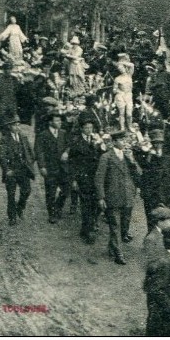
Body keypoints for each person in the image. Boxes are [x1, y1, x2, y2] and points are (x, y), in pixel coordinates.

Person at [95, 130, 141, 265]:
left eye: (125, 140)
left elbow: (138, 174)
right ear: (114, 142)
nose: (124, 143)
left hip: (127, 196)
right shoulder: (106, 157)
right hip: (113, 196)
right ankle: (118, 253)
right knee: (115, 225)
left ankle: (112, 247)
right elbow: (99, 178)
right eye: (121, 140)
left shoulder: (128, 156)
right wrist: (101, 197)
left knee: (124, 227)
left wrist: (132, 160)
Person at [68, 114, 103, 244]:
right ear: (82, 129)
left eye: (91, 128)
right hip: (83, 178)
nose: (89, 130)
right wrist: (74, 180)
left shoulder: (96, 141)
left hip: (95, 178)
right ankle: (88, 231)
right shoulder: (77, 142)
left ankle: (87, 227)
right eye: (87, 128)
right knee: (86, 204)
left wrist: (99, 145)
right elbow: (72, 163)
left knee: (95, 204)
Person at [0, 116, 36, 226]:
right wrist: (7, 169)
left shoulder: (23, 137)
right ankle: (12, 217)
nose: (17, 127)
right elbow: (1, 157)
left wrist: (30, 163)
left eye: (19, 125)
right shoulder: (5, 139)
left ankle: (20, 207)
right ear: (9, 127)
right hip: (12, 171)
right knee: (11, 194)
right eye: (15, 125)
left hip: (23, 169)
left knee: (27, 190)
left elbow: (30, 152)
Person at [34, 110, 70, 224]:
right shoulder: (43, 135)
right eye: (56, 120)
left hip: (63, 168)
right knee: (50, 192)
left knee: (66, 190)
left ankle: (58, 207)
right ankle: (52, 214)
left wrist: (66, 152)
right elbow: (39, 152)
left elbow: (69, 145)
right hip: (50, 168)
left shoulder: (63, 133)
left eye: (60, 120)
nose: (59, 122)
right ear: (50, 122)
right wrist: (42, 166)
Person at [112, 54, 135, 132]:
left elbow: (132, 65)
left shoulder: (129, 75)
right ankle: (122, 127)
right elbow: (114, 90)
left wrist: (122, 62)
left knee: (129, 114)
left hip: (128, 95)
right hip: (121, 96)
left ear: (125, 68)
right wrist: (119, 92)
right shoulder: (117, 79)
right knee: (121, 113)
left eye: (122, 68)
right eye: (119, 68)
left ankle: (130, 126)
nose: (121, 69)